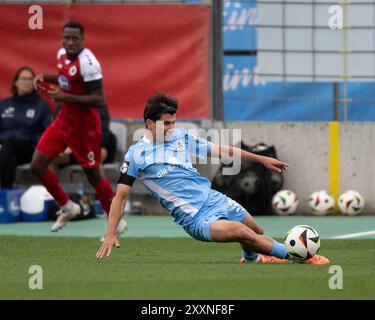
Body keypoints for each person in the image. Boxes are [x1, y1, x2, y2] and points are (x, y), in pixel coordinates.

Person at [96, 92, 330, 265]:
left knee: (255, 231)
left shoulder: (180, 137)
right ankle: (299, 256)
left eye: (173, 122)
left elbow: (222, 150)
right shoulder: (136, 155)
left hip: (213, 198)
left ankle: (250, 259)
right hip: (195, 218)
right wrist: (110, 232)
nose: (171, 127)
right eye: (165, 123)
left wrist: (260, 159)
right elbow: (120, 197)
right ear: (149, 123)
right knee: (242, 232)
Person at [30, 21, 127, 235]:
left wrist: (66, 97)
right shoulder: (61, 55)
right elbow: (66, 78)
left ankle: (116, 222)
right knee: (37, 165)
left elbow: (98, 99)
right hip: (63, 122)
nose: (70, 42)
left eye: (75, 38)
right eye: (66, 38)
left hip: (85, 128)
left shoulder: (89, 62)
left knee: (93, 175)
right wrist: (45, 77)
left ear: (83, 40)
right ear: (62, 38)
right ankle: (67, 206)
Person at [0, 66, 51, 189]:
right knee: (10, 158)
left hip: (30, 148)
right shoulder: (4, 105)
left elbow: (48, 132)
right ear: (16, 82)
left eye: (30, 79)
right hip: (5, 149)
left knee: (9, 144)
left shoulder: (41, 106)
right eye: (24, 79)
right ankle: (6, 196)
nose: (27, 82)